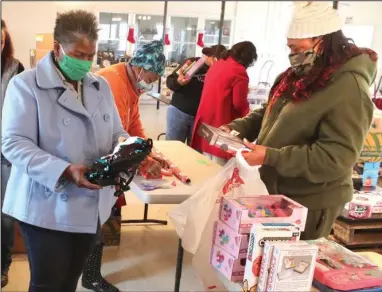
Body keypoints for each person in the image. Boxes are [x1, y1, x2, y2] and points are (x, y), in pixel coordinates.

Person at [1, 10, 155, 291]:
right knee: (48, 284)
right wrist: (64, 170)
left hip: (91, 204)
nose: (85, 62)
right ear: (58, 48)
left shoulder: (100, 86)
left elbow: (116, 132)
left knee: (70, 280)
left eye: (90, 56)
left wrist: (129, 150)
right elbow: (13, 143)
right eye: (78, 54)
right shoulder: (25, 86)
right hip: (46, 206)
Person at [222, 2, 377, 240]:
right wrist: (236, 128)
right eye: (289, 48)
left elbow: (337, 158)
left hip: (310, 202)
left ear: (321, 42)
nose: (292, 55)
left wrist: (271, 156)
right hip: (275, 189)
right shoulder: (297, 75)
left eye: (297, 48)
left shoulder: (349, 87)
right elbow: (269, 112)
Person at [81, 40, 166, 292]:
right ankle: (90, 276)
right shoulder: (114, 83)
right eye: (151, 77)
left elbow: (133, 122)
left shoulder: (131, 83)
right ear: (140, 67)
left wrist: (146, 150)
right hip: (97, 157)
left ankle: (89, 271)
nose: (150, 83)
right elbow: (115, 137)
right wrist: (141, 160)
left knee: (99, 216)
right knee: (93, 218)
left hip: (108, 156)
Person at [190, 41, 257, 166]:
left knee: (207, 164)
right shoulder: (239, 71)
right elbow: (238, 103)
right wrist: (249, 113)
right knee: (220, 171)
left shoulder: (218, 64)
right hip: (221, 124)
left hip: (206, 122)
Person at [1, 18, 25, 289]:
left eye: (2, 42)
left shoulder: (14, 68)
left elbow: (24, 109)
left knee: (5, 213)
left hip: (5, 150)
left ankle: (3, 264)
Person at [165, 45, 226, 145]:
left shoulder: (219, 71)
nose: (217, 63)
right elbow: (170, 81)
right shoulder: (192, 63)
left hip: (200, 118)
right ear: (210, 56)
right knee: (173, 147)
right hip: (179, 112)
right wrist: (179, 82)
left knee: (195, 152)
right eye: (216, 60)